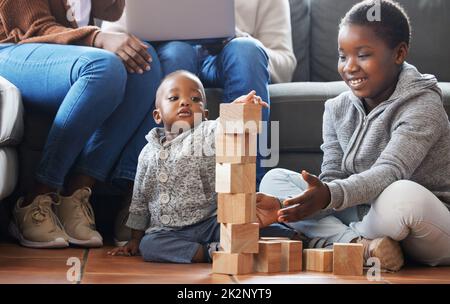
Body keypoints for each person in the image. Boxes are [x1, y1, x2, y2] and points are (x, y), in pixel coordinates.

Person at [256, 0, 450, 272]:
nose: (350, 67)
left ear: (399, 53)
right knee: (273, 180)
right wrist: (286, 204)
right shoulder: (336, 109)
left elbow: (390, 172)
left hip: (425, 224)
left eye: (363, 54)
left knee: (402, 195)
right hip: (365, 214)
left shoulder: (422, 104)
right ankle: (363, 246)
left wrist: (324, 199)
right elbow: (331, 181)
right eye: (343, 56)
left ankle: (331, 240)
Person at [0, 0, 162, 248]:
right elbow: (33, 27)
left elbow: (110, 10)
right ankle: (35, 197)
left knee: (143, 60)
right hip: (12, 47)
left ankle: (76, 193)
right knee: (103, 68)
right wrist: (98, 38)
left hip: (60, 48)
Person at [108, 71, 301, 263]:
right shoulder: (147, 153)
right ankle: (208, 253)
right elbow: (140, 200)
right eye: (174, 98)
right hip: (169, 232)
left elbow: (223, 124)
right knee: (150, 246)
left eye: (195, 98)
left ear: (205, 115)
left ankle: (295, 238)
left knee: (247, 228)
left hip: (213, 222)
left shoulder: (206, 133)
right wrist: (135, 239)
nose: (185, 102)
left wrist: (240, 106)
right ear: (157, 116)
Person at [102, 0, 297, 187]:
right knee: (177, 52)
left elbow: (285, 64)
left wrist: (236, 35)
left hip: (231, 59)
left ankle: (246, 189)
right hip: (171, 56)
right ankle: (161, 190)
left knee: (247, 50)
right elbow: (111, 34)